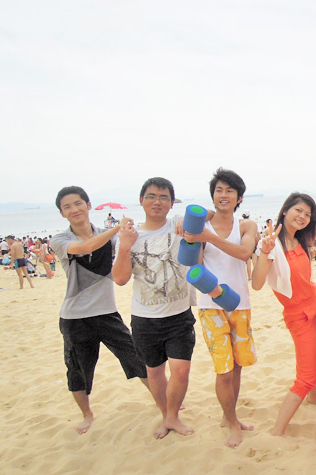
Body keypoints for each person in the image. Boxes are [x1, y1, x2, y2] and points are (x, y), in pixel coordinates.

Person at [50, 186, 148, 435]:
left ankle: (163, 401)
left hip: (106, 311)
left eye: (78, 203)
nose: (74, 209)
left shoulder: (109, 236)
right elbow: (85, 248)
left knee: (136, 357)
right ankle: (87, 415)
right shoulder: (60, 240)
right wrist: (116, 228)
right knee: (78, 369)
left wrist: (128, 229)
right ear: (62, 213)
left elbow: (132, 245)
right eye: (67, 207)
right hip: (74, 317)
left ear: (88, 205)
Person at [112, 177, 197, 439]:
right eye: (151, 196)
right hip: (144, 318)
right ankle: (166, 415)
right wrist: (125, 245)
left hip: (179, 315)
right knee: (154, 371)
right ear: (141, 201)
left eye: (163, 197)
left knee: (181, 370)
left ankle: (173, 417)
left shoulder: (178, 224)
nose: (157, 202)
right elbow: (120, 279)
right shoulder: (129, 236)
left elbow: (209, 214)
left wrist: (187, 222)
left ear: (172, 203)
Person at [182, 168, 258, 448]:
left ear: (239, 197)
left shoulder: (246, 225)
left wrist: (209, 237)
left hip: (241, 304)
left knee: (237, 367)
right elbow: (195, 266)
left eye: (229, 190)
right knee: (223, 370)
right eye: (219, 190)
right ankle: (232, 423)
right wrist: (193, 237)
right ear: (212, 195)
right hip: (210, 306)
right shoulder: (202, 225)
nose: (223, 195)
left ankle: (230, 417)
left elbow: (245, 253)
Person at [250, 189, 316, 436]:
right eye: (298, 210)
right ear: (285, 210)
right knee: (305, 378)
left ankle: (313, 397)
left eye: (307, 214)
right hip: (299, 316)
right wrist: (265, 252)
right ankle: (277, 430)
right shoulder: (271, 243)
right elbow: (257, 283)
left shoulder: (301, 239)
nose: (302, 216)